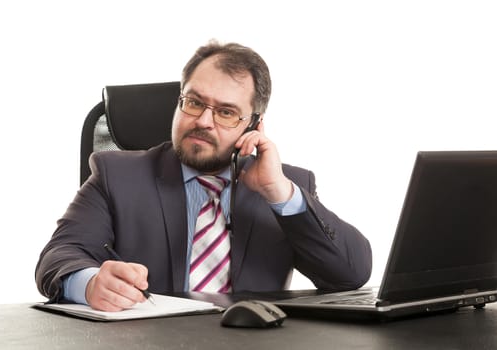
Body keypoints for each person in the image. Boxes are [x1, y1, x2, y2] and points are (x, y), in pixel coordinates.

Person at [35, 40, 372, 312]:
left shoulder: (284, 186)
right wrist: (91, 282)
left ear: (253, 126)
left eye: (226, 112)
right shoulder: (116, 174)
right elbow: (59, 256)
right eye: (194, 103)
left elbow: (350, 275)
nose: (203, 121)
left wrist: (280, 194)